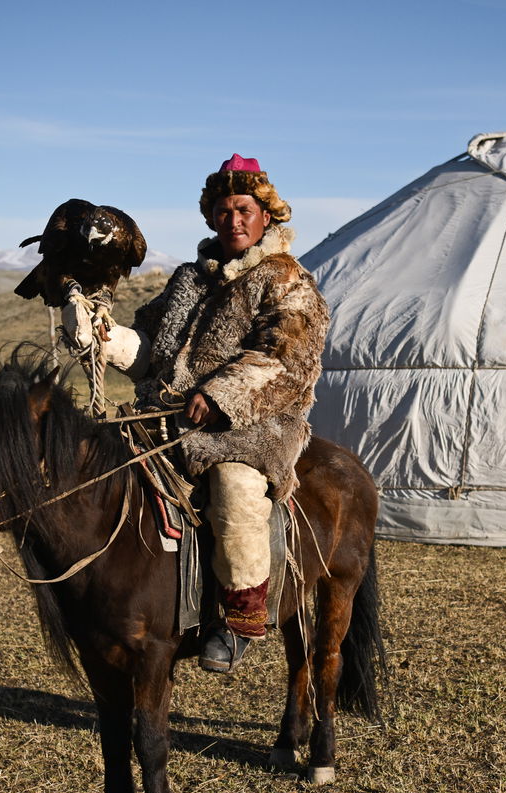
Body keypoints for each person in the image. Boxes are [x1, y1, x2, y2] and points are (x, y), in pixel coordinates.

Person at [99, 154, 329, 673]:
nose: (234, 220)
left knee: (235, 490)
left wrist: (222, 394)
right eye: (223, 210)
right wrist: (103, 337)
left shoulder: (285, 280)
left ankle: (240, 618)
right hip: (167, 415)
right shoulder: (189, 279)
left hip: (253, 425)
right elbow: (153, 350)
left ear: (266, 215)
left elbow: (287, 358)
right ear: (211, 216)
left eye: (244, 209)